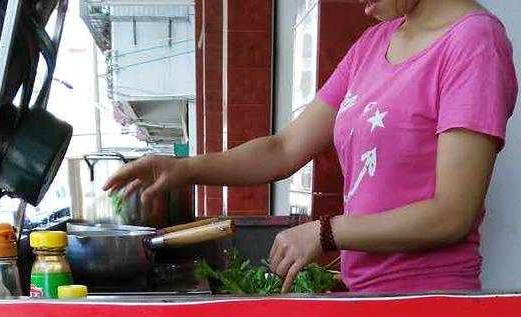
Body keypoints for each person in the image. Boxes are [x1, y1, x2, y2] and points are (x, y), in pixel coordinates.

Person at [105, 0, 518, 296]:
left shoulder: (475, 42)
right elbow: (284, 148)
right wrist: (183, 169)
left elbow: (452, 214)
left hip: (429, 302)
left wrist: (326, 232)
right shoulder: (373, 43)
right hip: (364, 296)